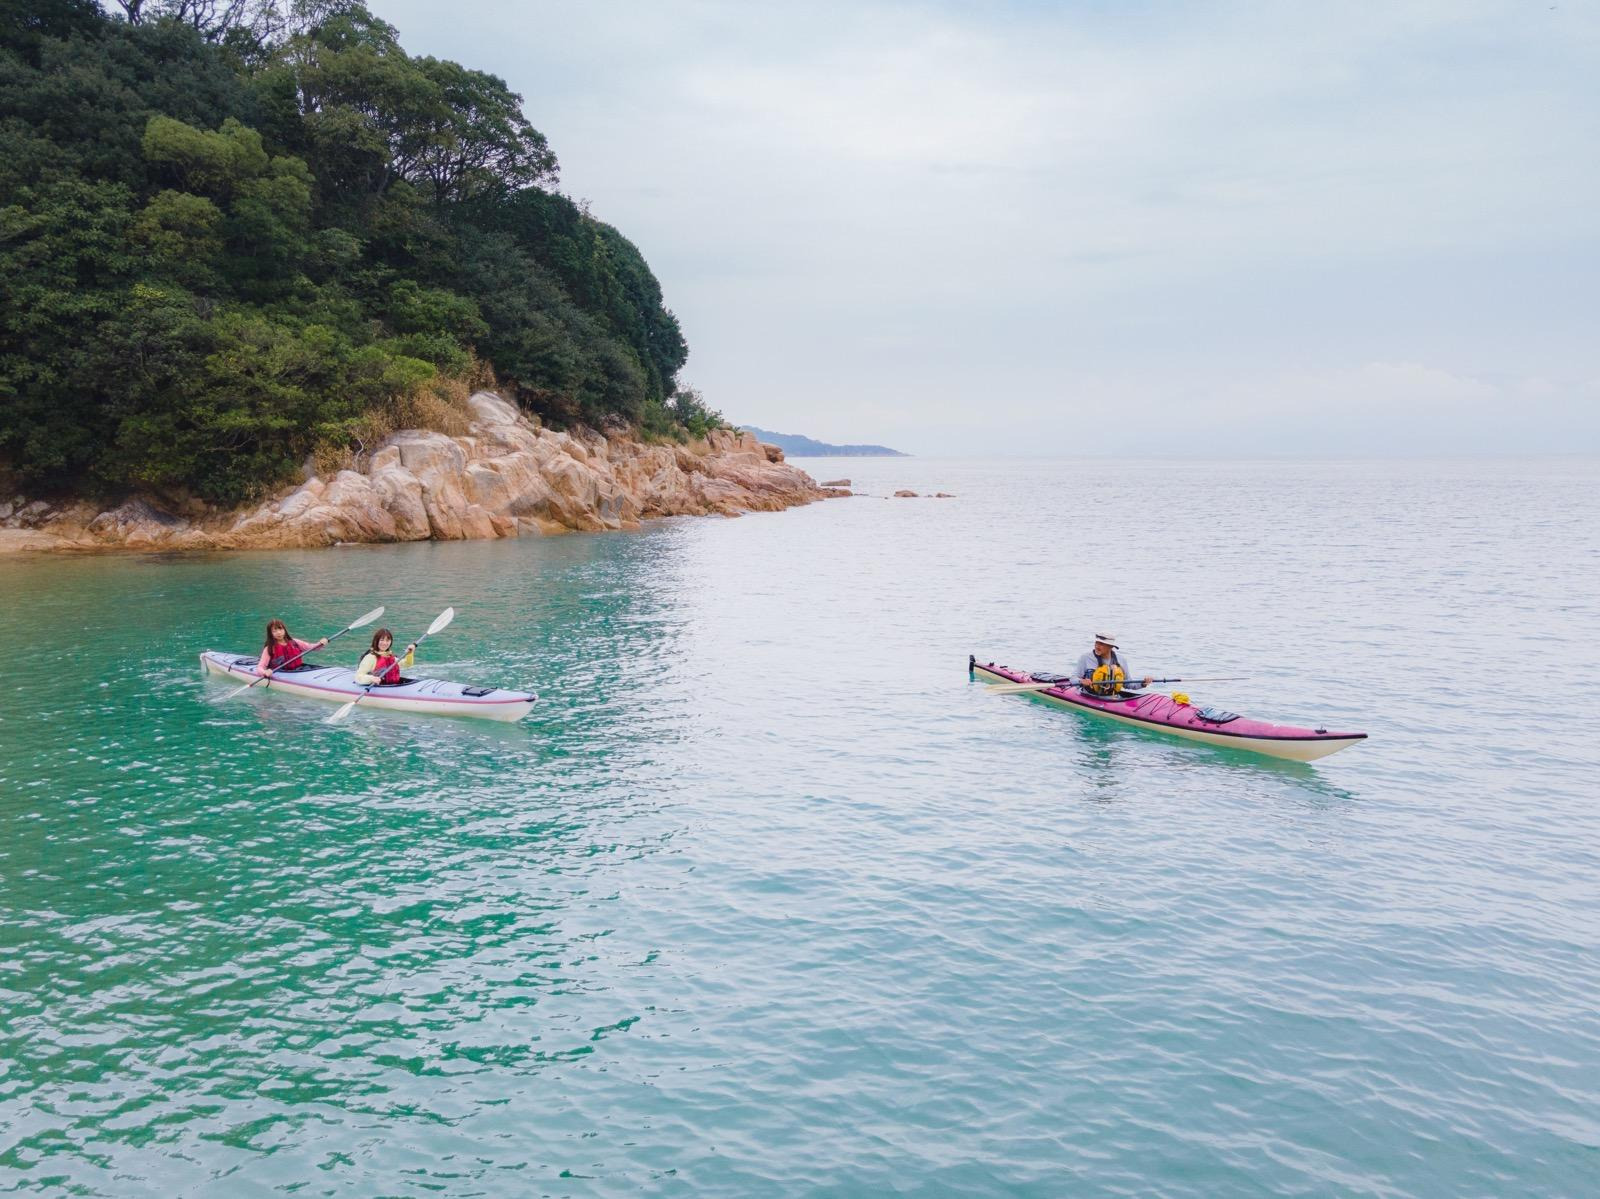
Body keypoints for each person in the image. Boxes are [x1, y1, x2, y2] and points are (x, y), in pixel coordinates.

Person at [1073, 633, 1152, 696]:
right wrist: (1081, 681)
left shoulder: (1121, 660)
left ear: (1110, 647)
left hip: (1113, 698)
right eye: (1096, 642)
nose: (1097, 646)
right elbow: (1073, 679)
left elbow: (1128, 684)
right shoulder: (1085, 658)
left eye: (1101, 644)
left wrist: (1143, 683)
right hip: (1089, 696)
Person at [257, 619, 328, 677]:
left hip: (299, 670)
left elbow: (312, 647)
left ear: (284, 630)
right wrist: (264, 672)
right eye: (274, 631)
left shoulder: (295, 642)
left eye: (280, 629)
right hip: (282, 672)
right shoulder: (269, 648)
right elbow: (260, 667)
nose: (278, 633)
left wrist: (320, 643)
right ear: (271, 634)